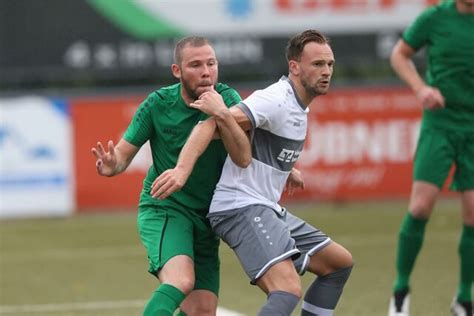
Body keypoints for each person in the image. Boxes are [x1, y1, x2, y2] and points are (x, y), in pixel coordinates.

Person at [152, 29, 354, 316]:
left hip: (264, 206)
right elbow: (208, 124)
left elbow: (257, 144)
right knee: (286, 289)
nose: (326, 71)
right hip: (240, 207)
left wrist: (286, 170)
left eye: (330, 64)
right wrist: (181, 171)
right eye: (317, 64)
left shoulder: (298, 106)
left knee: (338, 264)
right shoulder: (276, 100)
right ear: (294, 67)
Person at [91, 36, 251, 316]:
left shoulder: (229, 100)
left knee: (202, 311)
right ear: (177, 71)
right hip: (166, 207)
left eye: (211, 63)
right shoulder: (157, 104)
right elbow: (122, 157)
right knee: (181, 280)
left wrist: (223, 115)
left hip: (208, 217)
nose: (206, 71)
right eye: (196, 65)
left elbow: (244, 156)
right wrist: (112, 164)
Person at [387, 1, 474, 315]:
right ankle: (400, 290)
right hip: (440, 124)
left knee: (473, 214)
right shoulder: (435, 18)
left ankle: (464, 298)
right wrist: (420, 88)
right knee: (421, 206)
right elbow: (399, 54)